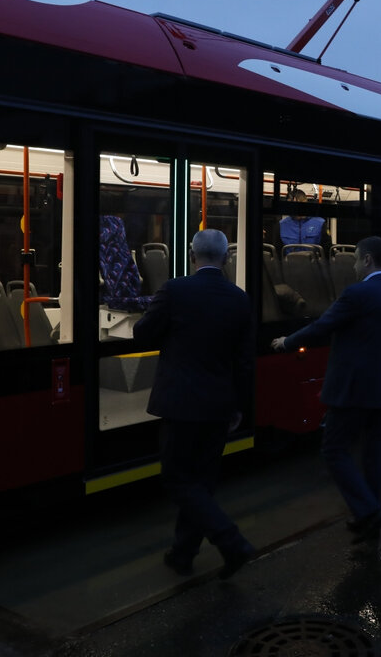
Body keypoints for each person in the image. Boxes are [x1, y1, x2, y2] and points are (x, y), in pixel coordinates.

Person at [271, 236, 381, 543]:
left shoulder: (357, 294)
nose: (352, 265)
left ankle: (368, 512)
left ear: (367, 260)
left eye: (355, 259)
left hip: (352, 390)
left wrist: (288, 341)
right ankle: (369, 517)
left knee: (333, 450)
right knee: (374, 454)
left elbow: (323, 325)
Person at [132, 228, 256, 580]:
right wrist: (238, 407)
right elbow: (245, 361)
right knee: (201, 481)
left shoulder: (175, 290)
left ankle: (231, 541)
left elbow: (144, 333)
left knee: (176, 478)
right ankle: (183, 554)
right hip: (219, 405)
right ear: (226, 258)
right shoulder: (239, 298)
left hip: (180, 402)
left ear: (191, 256)